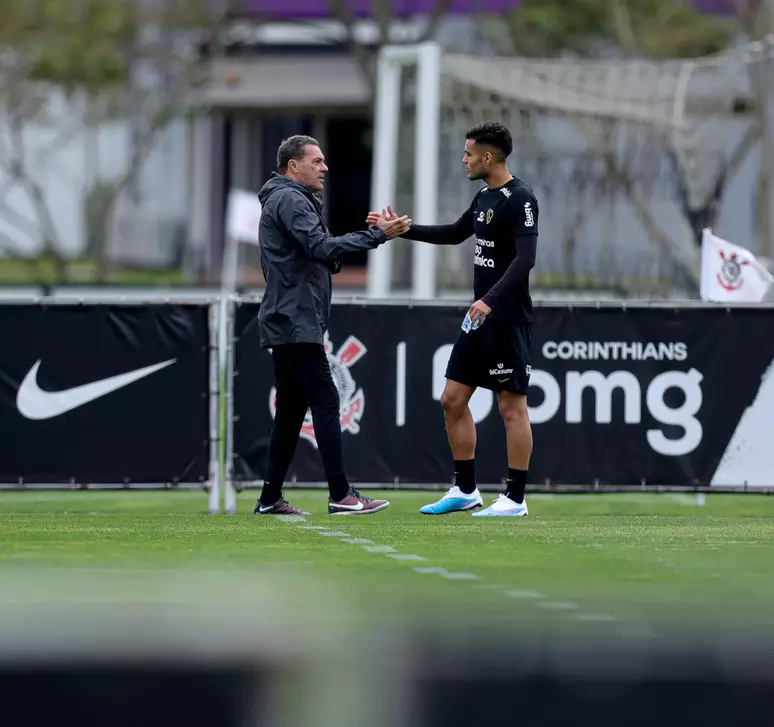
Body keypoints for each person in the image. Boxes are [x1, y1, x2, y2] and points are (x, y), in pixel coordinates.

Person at [366, 121, 537, 517]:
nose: (464, 159)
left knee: (511, 408)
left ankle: (515, 498)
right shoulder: (483, 197)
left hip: (506, 319)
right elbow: (454, 233)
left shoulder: (521, 198)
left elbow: (525, 259)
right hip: (479, 318)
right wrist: (400, 231)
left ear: (487, 157)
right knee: (452, 399)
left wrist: (490, 300)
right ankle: (465, 489)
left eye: (468, 153)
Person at [254, 134, 411, 516]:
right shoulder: (290, 198)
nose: (325, 167)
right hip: (295, 320)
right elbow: (322, 248)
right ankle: (341, 494)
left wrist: (358, 240)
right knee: (326, 400)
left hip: (290, 319)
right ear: (294, 166)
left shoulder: (289, 199)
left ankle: (269, 498)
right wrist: (378, 235)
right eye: (317, 161)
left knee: (291, 413)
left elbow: (317, 253)